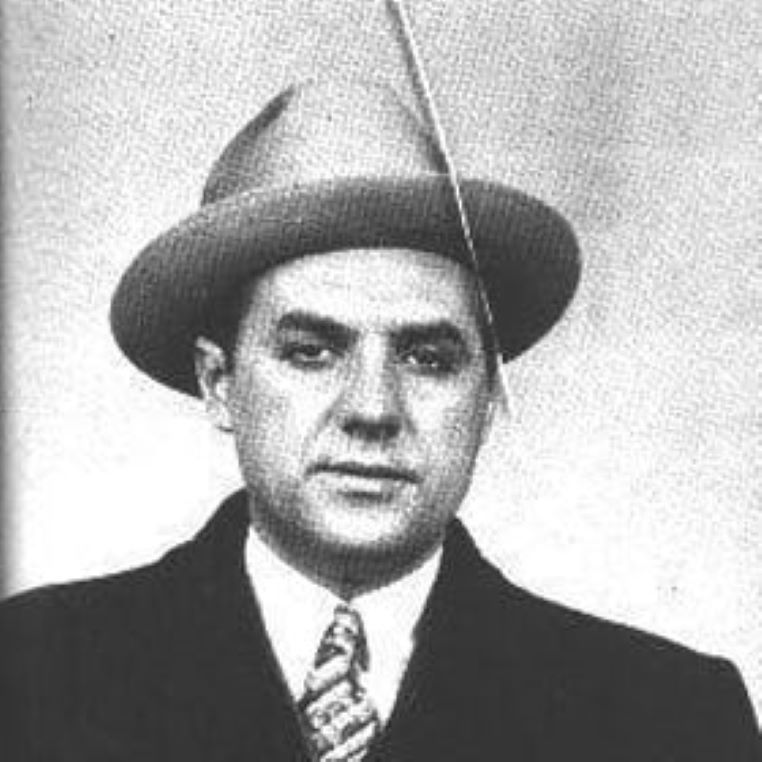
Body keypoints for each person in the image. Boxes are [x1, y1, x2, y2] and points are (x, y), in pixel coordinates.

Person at [1, 80, 759, 762]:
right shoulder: (33, 675)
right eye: (311, 352)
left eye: (429, 358)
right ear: (219, 382)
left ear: (487, 396)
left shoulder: (670, 719)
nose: (372, 409)